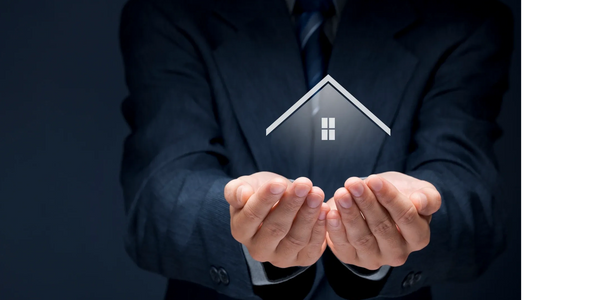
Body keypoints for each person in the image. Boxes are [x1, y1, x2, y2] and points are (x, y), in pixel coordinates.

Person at [118, 0, 513, 299]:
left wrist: (410, 210)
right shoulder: (169, 10)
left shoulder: (462, 17)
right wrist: (244, 221)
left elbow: (470, 201)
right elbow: (160, 196)